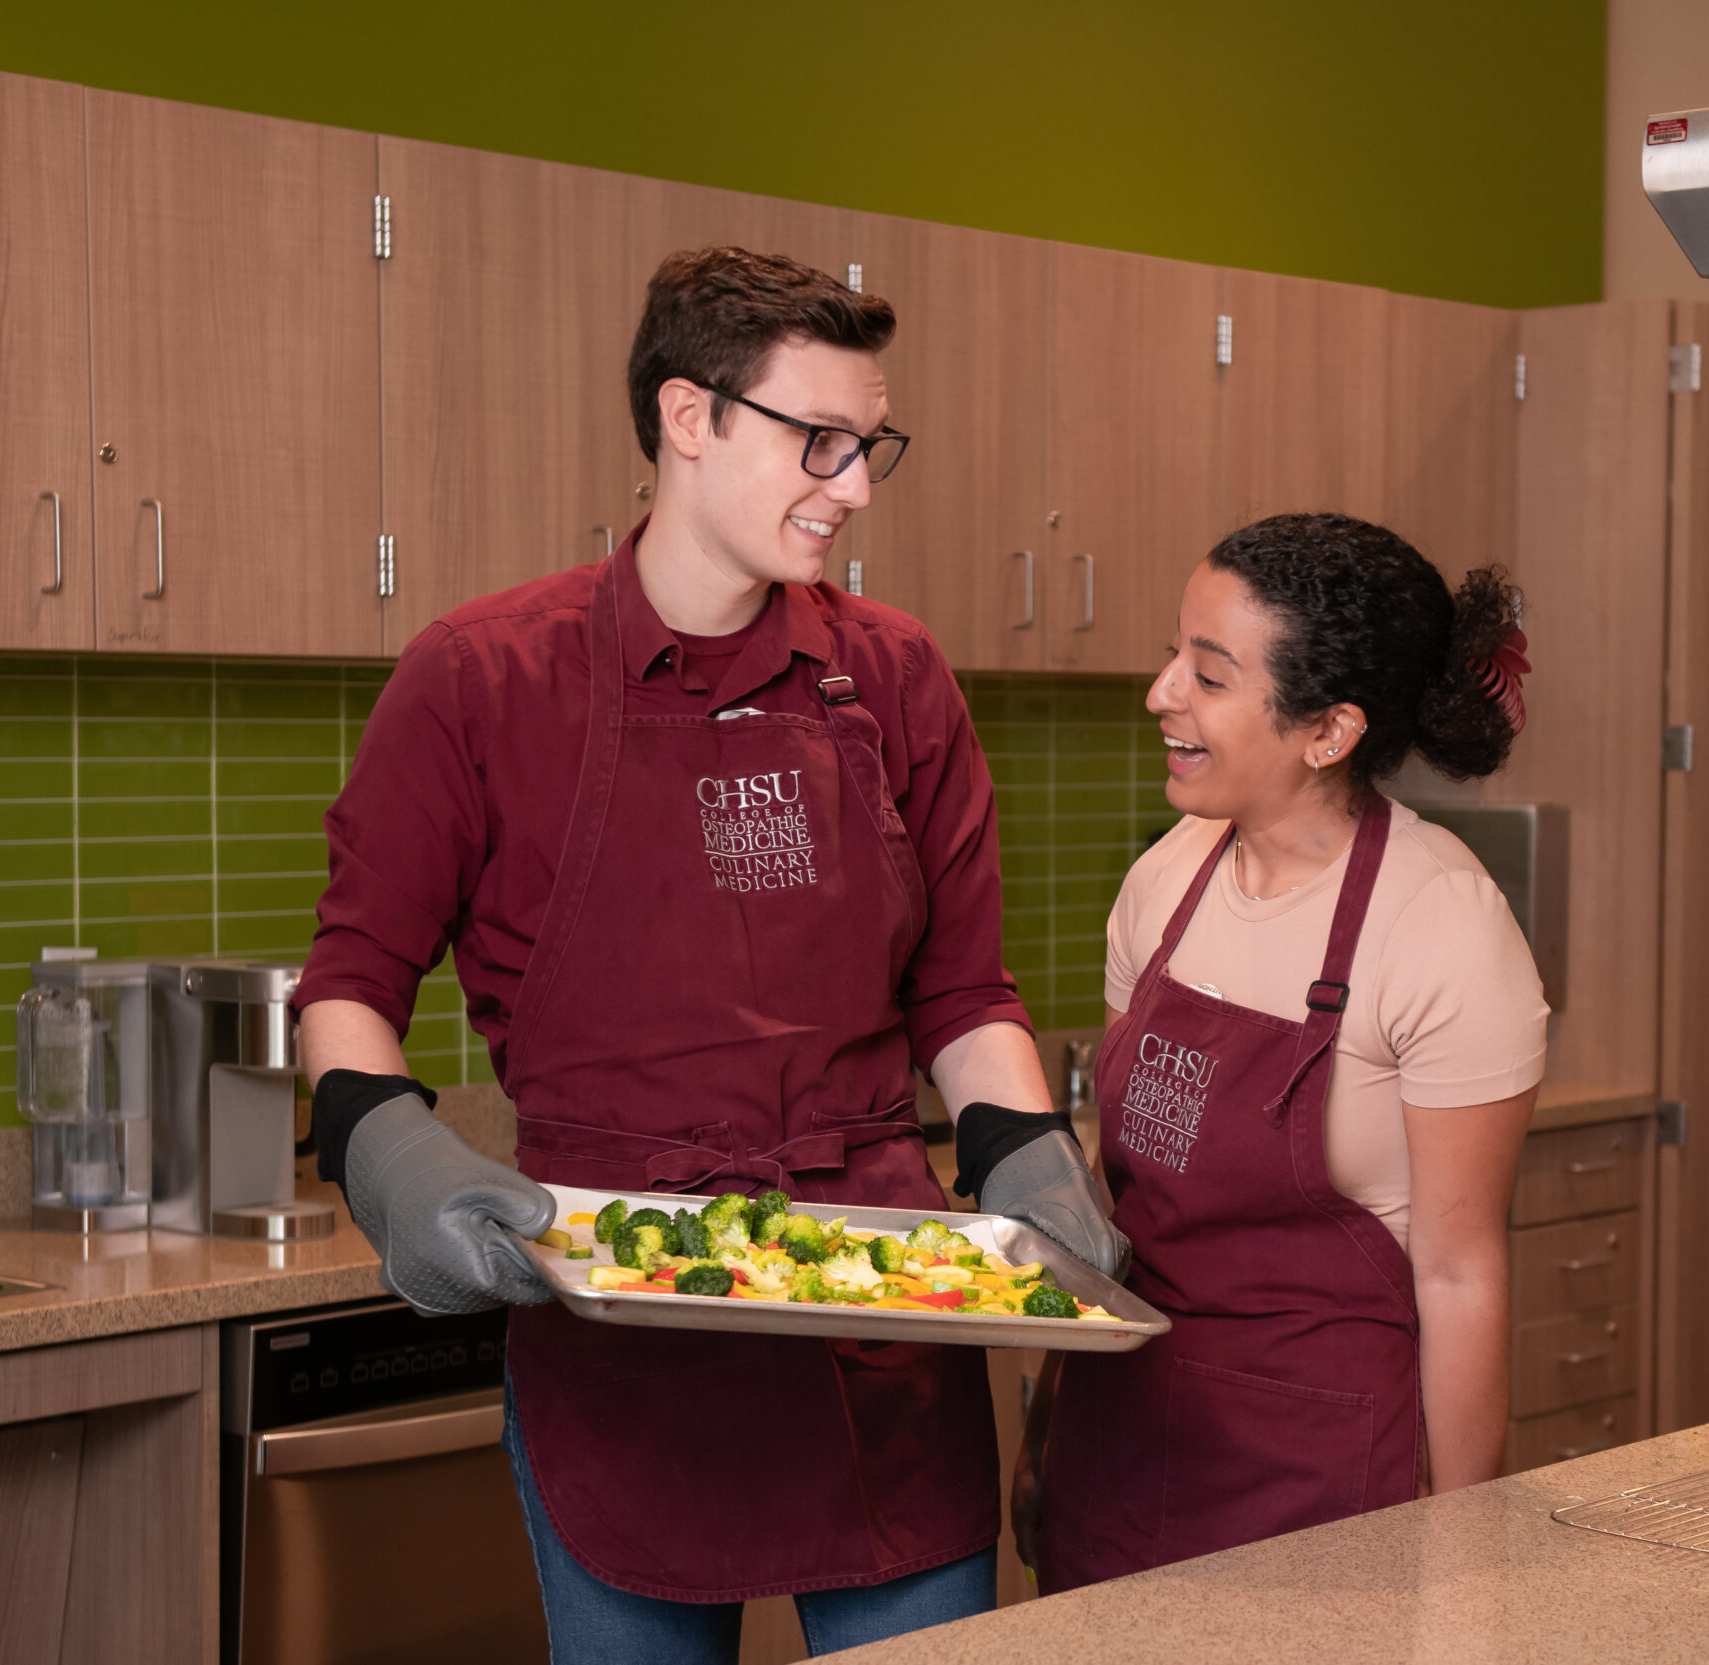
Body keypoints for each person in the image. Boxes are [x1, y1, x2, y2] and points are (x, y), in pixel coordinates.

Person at [292, 247, 1127, 1660]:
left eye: (871, 449)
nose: (855, 488)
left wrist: (1020, 1142)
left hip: (885, 1319)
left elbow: (965, 990)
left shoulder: (898, 677)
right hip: (625, 1333)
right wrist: (389, 1148)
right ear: (690, 417)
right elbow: (349, 987)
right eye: (820, 442)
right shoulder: (479, 679)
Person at [1022, 512, 1546, 1591]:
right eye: (1175, 655)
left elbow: (1458, 1277)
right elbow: (1109, 1218)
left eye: (1208, 676)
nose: (1162, 691)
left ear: (1328, 731)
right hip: (1116, 1448)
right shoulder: (1164, 881)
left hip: (1318, 1490)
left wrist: (1460, 1555)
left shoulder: (1441, 923)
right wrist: (1040, 1425)